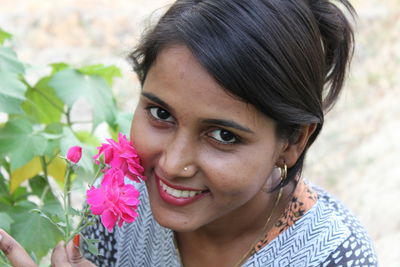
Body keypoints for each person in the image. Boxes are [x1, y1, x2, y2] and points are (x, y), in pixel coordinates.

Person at [0, 0, 378, 266]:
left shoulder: (334, 257)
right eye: (160, 113)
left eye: (224, 136)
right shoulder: (119, 208)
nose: (172, 165)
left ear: (293, 141)